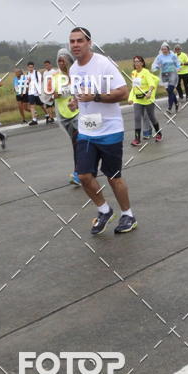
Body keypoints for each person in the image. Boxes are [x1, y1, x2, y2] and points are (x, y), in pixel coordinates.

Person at [69, 26, 137, 234]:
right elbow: (81, 94)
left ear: (89, 42)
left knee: (113, 176)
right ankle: (104, 210)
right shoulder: (73, 70)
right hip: (87, 129)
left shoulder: (103, 64)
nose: (75, 45)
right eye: (72, 41)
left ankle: (128, 215)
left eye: (80, 41)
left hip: (109, 129)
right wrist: (75, 101)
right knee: (83, 176)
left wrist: (95, 97)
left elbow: (123, 92)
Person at [54, 49, 81, 186]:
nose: (61, 63)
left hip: (78, 113)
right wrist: (56, 94)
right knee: (76, 143)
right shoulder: (55, 78)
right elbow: (49, 95)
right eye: (59, 60)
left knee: (78, 142)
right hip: (64, 114)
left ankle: (78, 173)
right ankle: (85, 169)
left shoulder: (76, 74)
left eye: (63, 60)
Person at [130, 55, 162, 145]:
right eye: (135, 61)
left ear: (142, 63)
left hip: (148, 99)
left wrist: (149, 92)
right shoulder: (133, 73)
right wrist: (131, 98)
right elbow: (134, 88)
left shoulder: (146, 72)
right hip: (138, 99)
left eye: (138, 61)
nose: (136, 63)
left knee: (152, 117)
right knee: (137, 118)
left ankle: (158, 133)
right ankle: (137, 139)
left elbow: (152, 83)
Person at [151, 42, 180, 112]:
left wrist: (178, 67)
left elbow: (177, 63)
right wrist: (156, 68)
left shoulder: (172, 55)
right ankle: (176, 103)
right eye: (163, 49)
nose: (164, 50)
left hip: (173, 74)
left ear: (168, 49)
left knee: (170, 89)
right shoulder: (159, 57)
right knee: (169, 91)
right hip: (164, 75)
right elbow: (155, 64)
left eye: (165, 49)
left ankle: (169, 108)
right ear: (161, 50)